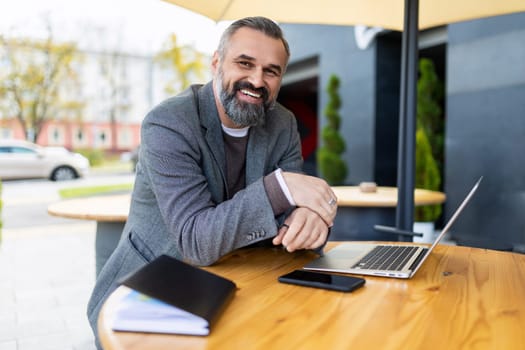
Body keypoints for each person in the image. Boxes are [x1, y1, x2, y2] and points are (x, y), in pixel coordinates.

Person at [86, 16, 337, 345]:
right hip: (153, 293)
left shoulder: (282, 123)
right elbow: (195, 240)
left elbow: (292, 211)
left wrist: (311, 220)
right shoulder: (169, 123)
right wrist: (282, 187)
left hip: (245, 285)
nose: (257, 80)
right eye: (244, 63)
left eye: (271, 71)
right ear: (216, 62)